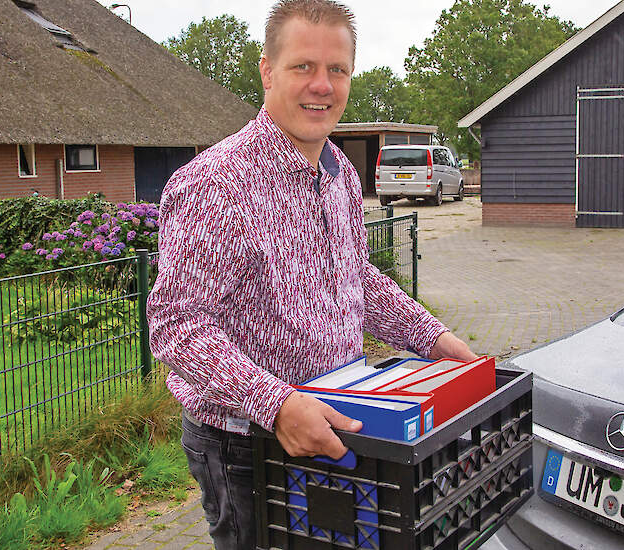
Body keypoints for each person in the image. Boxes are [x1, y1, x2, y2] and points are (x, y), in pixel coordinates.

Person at [146, 1, 476, 548]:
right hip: (246, 447)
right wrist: (275, 405)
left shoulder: (341, 172)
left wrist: (432, 337)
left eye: (337, 70)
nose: (322, 85)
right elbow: (177, 327)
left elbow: (357, 278)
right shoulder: (215, 185)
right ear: (267, 71)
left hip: (334, 419)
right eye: (303, 67)